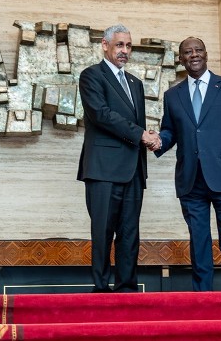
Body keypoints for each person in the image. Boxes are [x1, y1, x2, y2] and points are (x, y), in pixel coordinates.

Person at [153, 36, 221, 291]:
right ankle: (203, 298)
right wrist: (157, 141)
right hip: (191, 180)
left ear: (206, 55)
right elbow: (170, 131)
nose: (194, 55)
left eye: (198, 50)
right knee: (199, 242)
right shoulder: (172, 95)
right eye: (188, 52)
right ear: (181, 59)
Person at [77, 24, 160, 293]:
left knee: (130, 234)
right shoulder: (91, 76)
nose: (125, 51)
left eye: (128, 46)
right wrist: (141, 135)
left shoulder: (135, 83)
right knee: (102, 233)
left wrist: (149, 138)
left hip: (133, 170)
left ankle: (127, 290)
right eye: (119, 45)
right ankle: (101, 290)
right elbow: (101, 115)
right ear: (105, 45)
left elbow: (136, 124)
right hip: (103, 170)